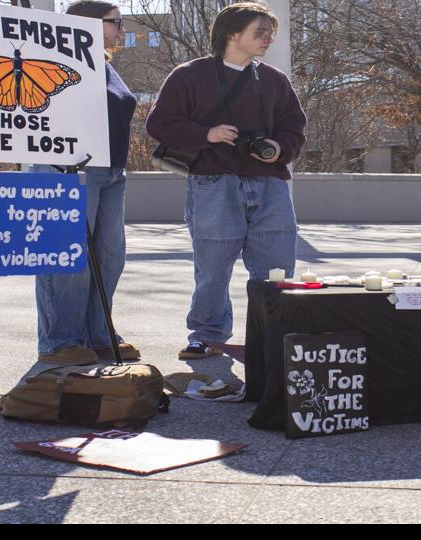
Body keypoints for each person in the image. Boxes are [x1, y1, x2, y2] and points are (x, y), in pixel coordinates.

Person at [146, 2, 307, 361]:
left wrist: (278, 149)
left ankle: (274, 334)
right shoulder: (189, 75)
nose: (267, 39)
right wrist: (207, 134)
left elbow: (294, 128)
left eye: (270, 33)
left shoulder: (274, 79)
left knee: (277, 267)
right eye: (260, 32)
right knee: (213, 270)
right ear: (232, 33)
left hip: (270, 185)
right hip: (213, 184)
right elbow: (159, 124)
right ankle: (207, 335)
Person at [33, 1, 140, 365]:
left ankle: (98, 334)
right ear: (85, 24)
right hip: (69, 169)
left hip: (111, 171)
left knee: (110, 256)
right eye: (115, 23)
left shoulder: (104, 66)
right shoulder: (56, 61)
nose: (121, 30)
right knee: (69, 256)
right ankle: (60, 341)